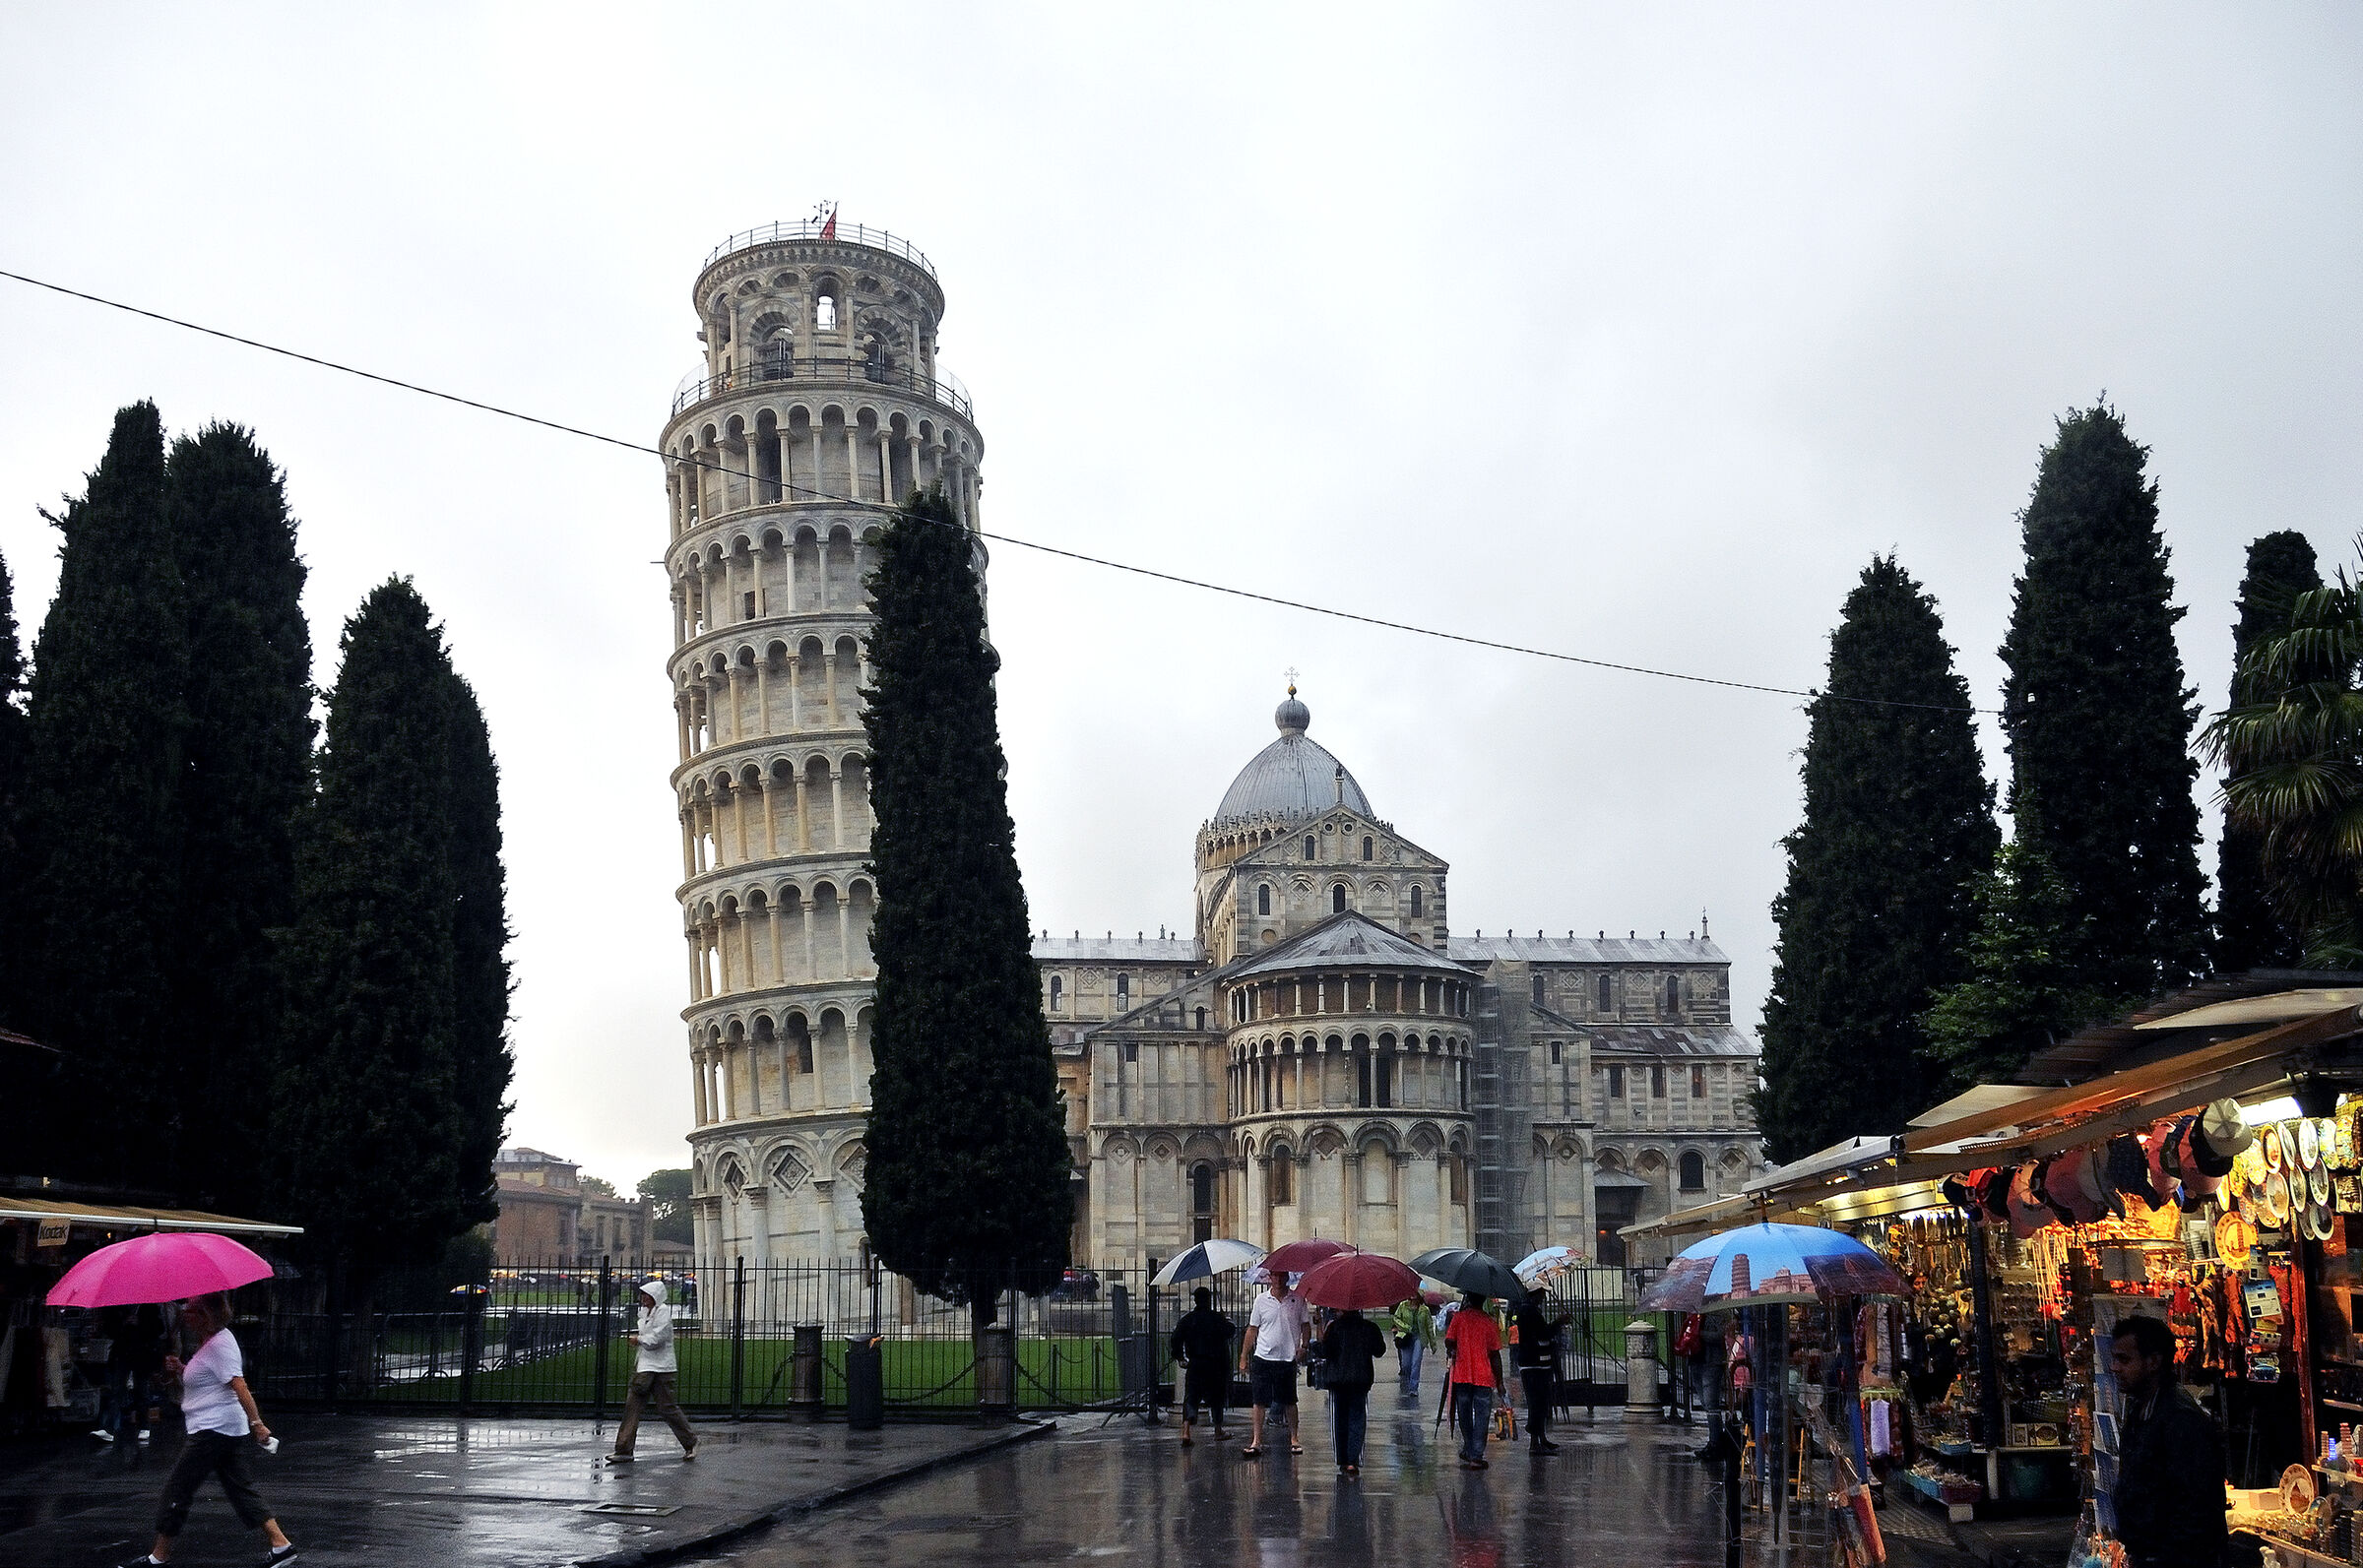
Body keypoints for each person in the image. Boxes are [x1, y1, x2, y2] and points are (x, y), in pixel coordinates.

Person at [117, 1293, 297, 1568]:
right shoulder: (211, 1343)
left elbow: (239, 1385)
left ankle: (159, 1556)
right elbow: (211, 1380)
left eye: (190, 1311)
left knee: (178, 1489)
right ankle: (280, 1544)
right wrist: (181, 1368)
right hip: (221, 1428)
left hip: (213, 1430)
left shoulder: (219, 1345)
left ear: (206, 1315)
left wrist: (257, 1423)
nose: (184, 1315)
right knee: (240, 1488)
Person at [2110, 1313, 2225, 1568]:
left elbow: (2197, 1508)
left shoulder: (2179, 1419)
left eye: (2124, 1359)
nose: (2115, 1367)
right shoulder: (2141, 1409)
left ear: (2153, 1362)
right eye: (2114, 1358)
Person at [607, 1280, 698, 1463]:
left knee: (666, 1408)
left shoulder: (663, 1312)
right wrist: (641, 1340)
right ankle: (624, 1449)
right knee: (632, 1406)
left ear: (654, 1297)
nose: (642, 1298)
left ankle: (691, 1442)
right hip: (645, 1367)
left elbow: (658, 1338)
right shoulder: (645, 1313)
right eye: (642, 1295)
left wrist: (639, 1340)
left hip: (662, 1368)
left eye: (646, 1295)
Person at [1238, 1272, 1309, 1458]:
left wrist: (1304, 1346)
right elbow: (1252, 1329)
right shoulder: (1261, 1300)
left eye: (1281, 1276)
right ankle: (1256, 1441)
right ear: (1270, 1277)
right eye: (1274, 1276)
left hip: (1286, 1358)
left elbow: (1305, 1325)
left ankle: (1294, 1438)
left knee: (1289, 1400)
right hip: (1263, 1356)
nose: (1277, 1279)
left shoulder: (1298, 1299)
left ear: (1287, 1277)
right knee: (1259, 1401)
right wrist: (1244, 1356)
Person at [1318, 1306, 1387, 1475]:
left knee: (1339, 1420)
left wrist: (1321, 1330)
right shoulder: (1369, 1327)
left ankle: (1342, 1458)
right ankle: (1353, 1459)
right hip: (1360, 1379)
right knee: (1357, 1419)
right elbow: (1380, 1351)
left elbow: (1324, 1352)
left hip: (1338, 1379)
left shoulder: (1334, 1327)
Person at [1169, 1286, 1236, 1447]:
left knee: (1191, 1396)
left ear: (1195, 1300)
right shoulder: (1216, 1318)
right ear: (1209, 1299)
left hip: (1195, 1363)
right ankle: (1218, 1430)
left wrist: (1179, 1357)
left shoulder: (1188, 1319)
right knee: (1217, 1398)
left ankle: (1186, 1431)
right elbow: (1230, 1332)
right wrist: (1227, 1319)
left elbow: (1175, 1339)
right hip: (1216, 1365)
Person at [1444, 1290, 1504, 1470]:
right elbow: (1495, 1355)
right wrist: (1500, 1381)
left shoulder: (1459, 1318)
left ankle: (1469, 1448)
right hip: (1483, 1376)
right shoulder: (1489, 1322)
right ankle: (1477, 1455)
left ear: (1468, 1299)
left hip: (1462, 1375)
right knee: (1482, 1416)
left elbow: (1448, 1341)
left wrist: (1457, 1345)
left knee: (1464, 1415)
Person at [1513, 1287, 1570, 1454]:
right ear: (1535, 1294)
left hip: (1539, 1363)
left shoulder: (1531, 1310)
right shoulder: (1528, 1311)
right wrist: (1558, 1322)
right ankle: (1534, 1442)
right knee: (1536, 1403)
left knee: (1542, 1401)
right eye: (1542, 1294)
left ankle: (1541, 1438)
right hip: (1533, 1364)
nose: (1544, 1297)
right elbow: (1543, 1334)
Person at [1390, 1296, 1437, 1391]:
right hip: (1405, 1336)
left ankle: (1414, 1387)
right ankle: (1408, 1380)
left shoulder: (1424, 1310)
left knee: (1416, 1362)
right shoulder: (1402, 1306)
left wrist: (1433, 1344)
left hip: (1419, 1337)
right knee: (1406, 1364)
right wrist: (1406, 1327)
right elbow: (1396, 1318)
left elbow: (1429, 1326)